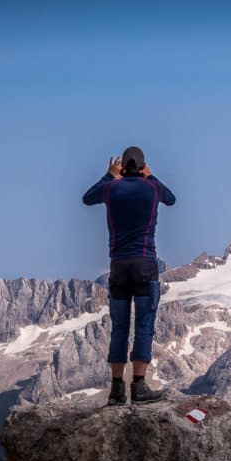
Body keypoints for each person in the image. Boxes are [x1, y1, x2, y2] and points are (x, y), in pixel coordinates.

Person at [82, 146, 176, 405]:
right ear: (143, 167)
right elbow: (171, 198)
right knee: (144, 325)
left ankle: (115, 390)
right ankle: (139, 386)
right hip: (145, 264)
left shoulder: (111, 188)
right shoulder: (153, 189)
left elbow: (87, 198)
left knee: (119, 327)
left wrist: (109, 176)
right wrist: (151, 177)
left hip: (119, 266)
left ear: (122, 166)